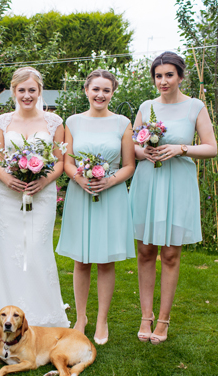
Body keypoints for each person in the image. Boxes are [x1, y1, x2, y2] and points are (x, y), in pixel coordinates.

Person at [0, 67, 70, 327]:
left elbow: (60, 161)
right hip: (8, 195)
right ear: (14, 91)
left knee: (36, 247)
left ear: (40, 91)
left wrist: (44, 180)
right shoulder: (1, 122)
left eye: (32, 90)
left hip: (42, 193)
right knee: (8, 249)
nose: (27, 95)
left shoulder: (55, 122)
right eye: (21, 90)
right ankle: (5, 309)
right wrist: (5, 177)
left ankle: (41, 309)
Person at [129, 52, 217, 344]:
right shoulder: (146, 106)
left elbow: (211, 148)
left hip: (177, 184)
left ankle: (163, 319)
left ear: (180, 76)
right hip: (148, 181)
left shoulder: (195, 106)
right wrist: (145, 152)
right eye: (158, 75)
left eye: (169, 75)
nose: (163, 81)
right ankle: (146, 315)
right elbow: (132, 146)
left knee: (169, 254)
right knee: (145, 251)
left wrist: (181, 149)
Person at [56, 69, 136, 345]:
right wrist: (80, 178)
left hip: (111, 196)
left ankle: (102, 319)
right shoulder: (73, 122)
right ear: (86, 91)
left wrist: (109, 181)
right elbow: (67, 161)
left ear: (113, 93)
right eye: (96, 89)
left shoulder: (122, 123)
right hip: (81, 193)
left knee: (105, 260)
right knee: (81, 259)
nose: (100, 95)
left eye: (106, 90)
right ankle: (81, 317)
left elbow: (129, 165)